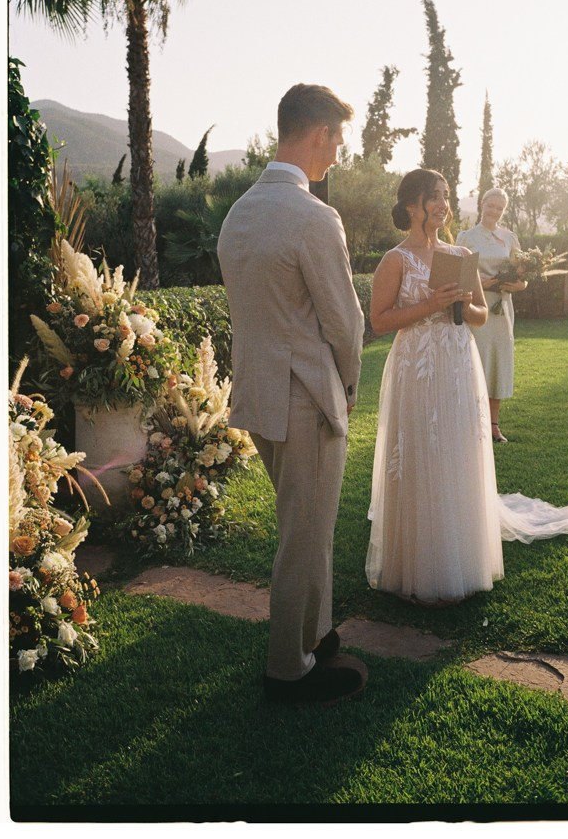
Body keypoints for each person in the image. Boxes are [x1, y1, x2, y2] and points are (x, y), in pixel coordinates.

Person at [365, 169, 568, 606]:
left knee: (457, 451)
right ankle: (415, 565)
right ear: (412, 205)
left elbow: (477, 315)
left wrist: (460, 302)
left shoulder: (460, 254)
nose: (444, 204)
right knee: (420, 450)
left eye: (446, 196)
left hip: (457, 364)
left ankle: (461, 558)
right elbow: (379, 321)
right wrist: (430, 304)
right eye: (434, 196)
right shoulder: (396, 260)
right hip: (416, 367)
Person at [218, 83, 367, 705]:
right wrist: (348, 384)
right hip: (304, 396)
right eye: (338, 139)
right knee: (304, 535)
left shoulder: (239, 212)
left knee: (304, 524)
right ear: (320, 134)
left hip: (259, 395)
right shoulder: (313, 216)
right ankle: (288, 669)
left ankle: (315, 634)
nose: (338, 153)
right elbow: (344, 321)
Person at [456, 188, 526, 443]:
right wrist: (479, 284)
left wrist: (518, 285)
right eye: (491, 205)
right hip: (476, 307)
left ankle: (494, 426)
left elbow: (523, 276)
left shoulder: (510, 238)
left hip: (501, 309)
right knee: (475, 362)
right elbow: (457, 275)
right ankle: (470, 423)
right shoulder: (466, 237)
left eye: (499, 208)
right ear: (482, 205)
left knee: (498, 363)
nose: (494, 211)